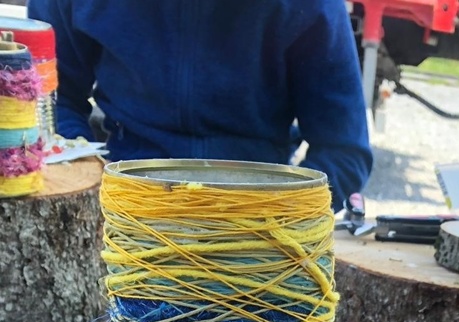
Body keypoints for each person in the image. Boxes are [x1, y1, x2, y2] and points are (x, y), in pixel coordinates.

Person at [27, 0, 373, 210]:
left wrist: (275, 220)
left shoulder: (310, 7)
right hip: (124, 207)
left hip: (254, 222)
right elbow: (49, 102)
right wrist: (90, 184)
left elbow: (343, 153)